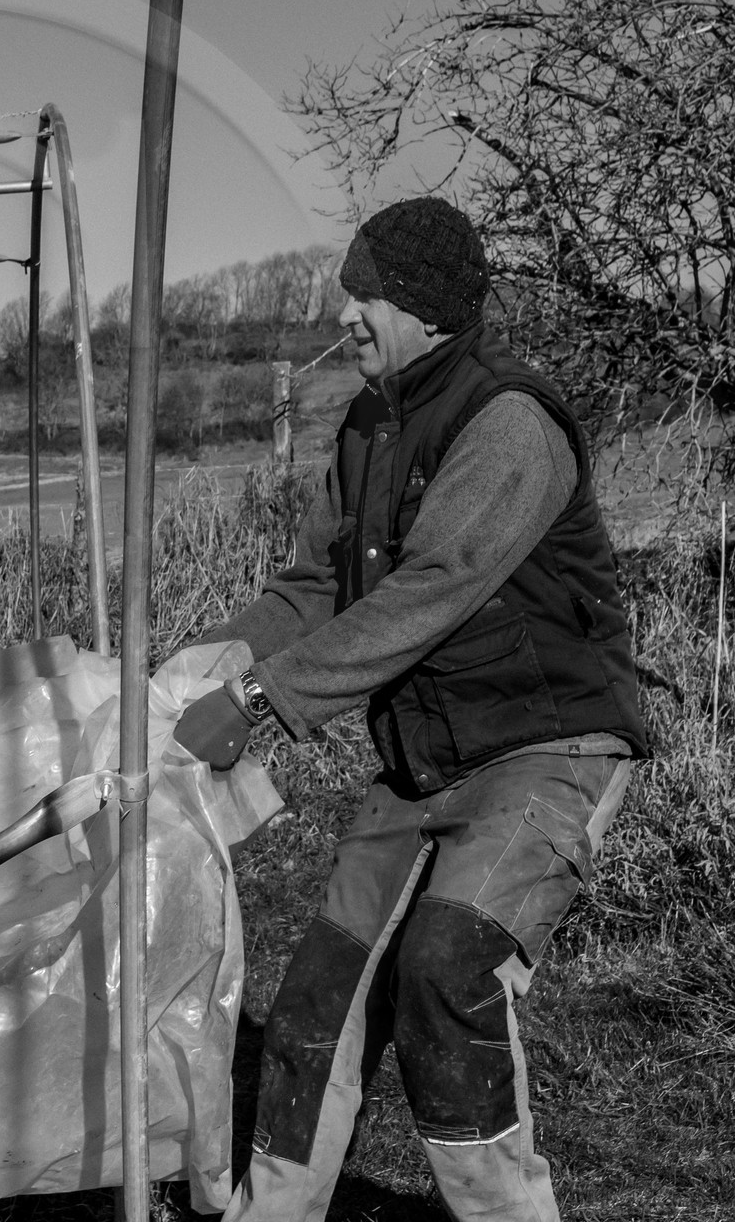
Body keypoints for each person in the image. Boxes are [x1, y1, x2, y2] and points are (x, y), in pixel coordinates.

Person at [172, 197, 648, 1222]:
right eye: (350, 292)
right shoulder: (365, 424)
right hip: (420, 756)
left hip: (544, 743)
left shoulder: (510, 421)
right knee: (314, 999)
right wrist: (214, 660)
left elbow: (434, 588)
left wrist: (262, 699)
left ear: (427, 308)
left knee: (446, 969)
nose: (348, 315)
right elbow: (316, 586)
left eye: (369, 295)